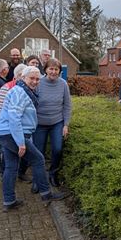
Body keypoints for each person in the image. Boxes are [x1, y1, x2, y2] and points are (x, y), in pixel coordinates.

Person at [0, 66, 66, 212]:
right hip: (11, 134)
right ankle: (46, 194)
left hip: (5, 132)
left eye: (37, 79)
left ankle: (9, 200)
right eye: (31, 78)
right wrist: (21, 143)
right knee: (38, 160)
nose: (35, 81)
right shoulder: (20, 92)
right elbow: (14, 118)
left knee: (11, 166)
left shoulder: (23, 91)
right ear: (23, 78)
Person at [34, 58, 72, 187]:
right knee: (39, 152)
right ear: (45, 70)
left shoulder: (63, 84)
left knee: (57, 149)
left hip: (57, 122)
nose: (53, 72)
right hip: (40, 124)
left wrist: (66, 124)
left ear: (59, 71)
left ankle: (53, 174)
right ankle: (37, 179)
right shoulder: (38, 83)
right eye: (51, 69)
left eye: (56, 69)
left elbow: (67, 105)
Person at [0, 64, 30, 182]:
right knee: (8, 155)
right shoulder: (6, 88)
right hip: (9, 130)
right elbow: (0, 111)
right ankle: (7, 177)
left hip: (23, 129)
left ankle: (20, 173)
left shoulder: (28, 89)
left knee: (21, 156)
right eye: (24, 75)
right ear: (18, 76)